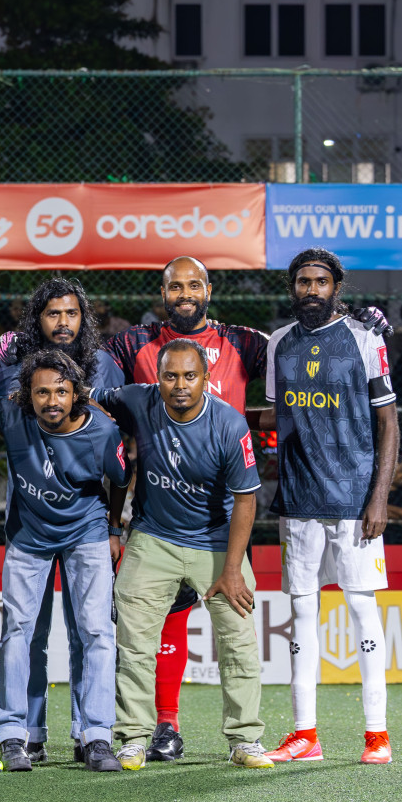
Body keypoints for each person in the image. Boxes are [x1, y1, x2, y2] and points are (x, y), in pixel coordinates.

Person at [101, 256, 270, 762]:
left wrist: (234, 568)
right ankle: (133, 738)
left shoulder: (231, 419)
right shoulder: (138, 390)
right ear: (159, 377)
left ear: (206, 375)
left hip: (216, 538)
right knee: (133, 640)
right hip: (152, 534)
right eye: (170, 376)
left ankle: (245, 739)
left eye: (189, 376)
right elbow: (77, 389)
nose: (178, 385)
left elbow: (247, 498)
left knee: (238, 640)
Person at [256, 249, 401, 766]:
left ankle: (376, 734)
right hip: (298, 499)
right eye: (302, 282)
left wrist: (379, 497)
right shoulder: (279, 344)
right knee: (301, 613)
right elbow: (280, 415)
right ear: (292, 288)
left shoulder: (365, 339)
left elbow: (388, 424)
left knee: (362, 609)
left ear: (337, 286)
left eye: (320, 282)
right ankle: (305, 736)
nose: (310, 290)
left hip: (354, 499)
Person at [0, 277, 125, 761]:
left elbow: (119, 461)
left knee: (93, 630)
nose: (63, 322)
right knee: (24, 630)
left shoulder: (105, 374)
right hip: (30, 526)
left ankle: (94, 734)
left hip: (86, 524)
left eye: (71, 313)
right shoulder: (11, 380)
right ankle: (21, 733)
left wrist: (113, 528)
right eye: (52, 314)